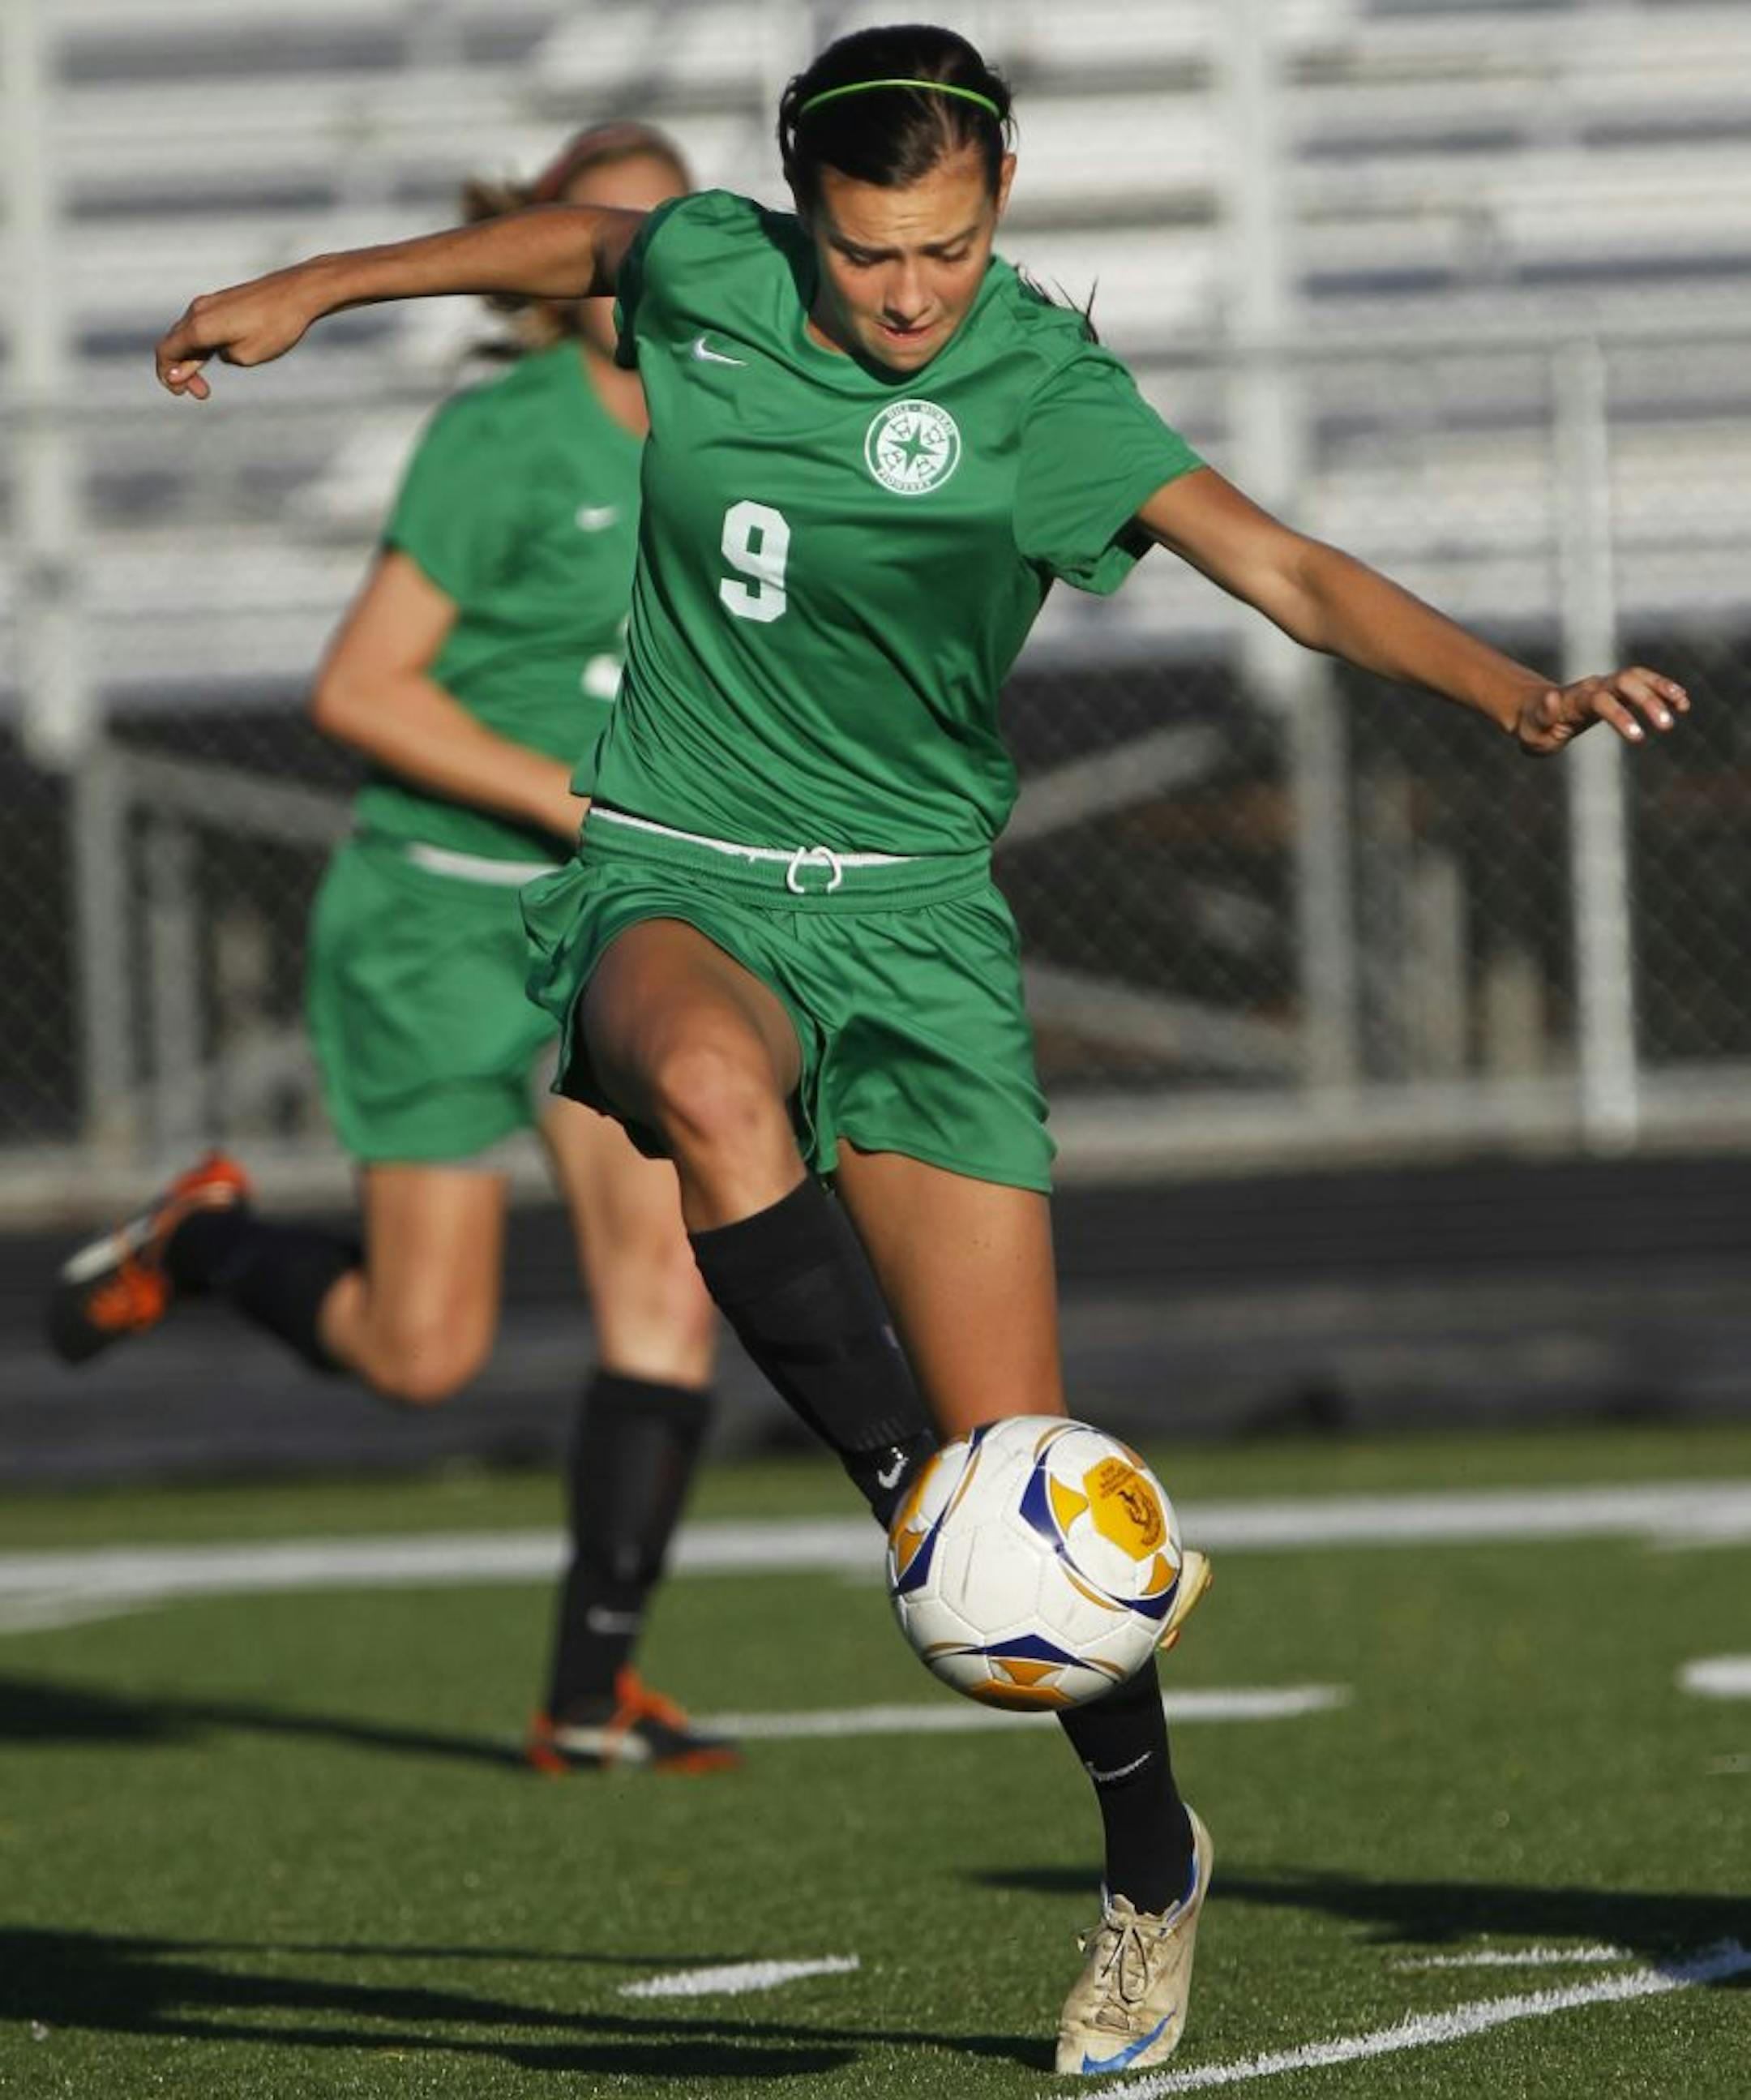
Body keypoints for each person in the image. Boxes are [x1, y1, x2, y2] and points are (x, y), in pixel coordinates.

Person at [145, 23, 1689, 2074]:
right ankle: (905, 1500)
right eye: (872, 252)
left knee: (1027, 1481)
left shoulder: (1040, 388)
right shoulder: (710, 268)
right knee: (705, 1091)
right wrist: (305, 294)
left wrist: (1516, 694)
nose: (906, 294)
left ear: (1004, 206)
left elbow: (1289, 569)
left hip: (919, 930)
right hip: (673, 871)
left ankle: (1149, 1861)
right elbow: (571, 238)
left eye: (947, 250)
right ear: (803, 214)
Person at [54, 121, 738, 1779]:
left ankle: (589, 1687)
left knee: (666, 1287)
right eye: (607, 233)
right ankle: (211, 1238)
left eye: (673, 233)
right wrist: (583, 799)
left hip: (603, 928)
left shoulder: (747, 432)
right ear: (556, 254)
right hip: (435, 920)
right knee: (421, 1354)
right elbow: (360, 689)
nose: (640, 266)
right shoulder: (503, 438)